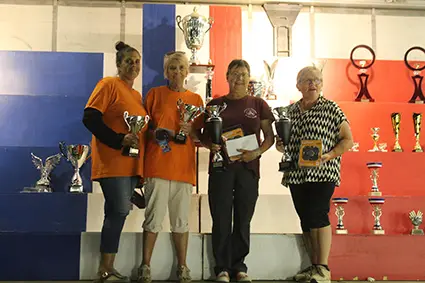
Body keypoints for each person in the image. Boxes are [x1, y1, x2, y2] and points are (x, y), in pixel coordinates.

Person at [276, 66, 353, 283]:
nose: (312, 84)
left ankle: (323, 267)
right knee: (305, 218)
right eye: (307, 80)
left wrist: (329, 155)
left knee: (318, 214)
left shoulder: (331, 108)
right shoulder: (289, 112)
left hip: (323, 172)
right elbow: (283, 146)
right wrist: (281, 145)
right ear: (298, 85)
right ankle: (313, 266)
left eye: (317, 80)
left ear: (322, 84)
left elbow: (348, 139)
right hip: (296, 174)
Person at [200, 59, 275, 282]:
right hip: (221, 168)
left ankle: (239, 267)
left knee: (243, 218)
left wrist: (256, 153)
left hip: (248, 168)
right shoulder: (216, 104)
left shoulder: (258, 104)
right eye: (234, 73)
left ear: (248, 77)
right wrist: (209, 145)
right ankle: (221, 268)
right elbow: (204, 136)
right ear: (227, 76)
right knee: (221, 218)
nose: (239, 78)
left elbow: (269, 138)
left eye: (243, 73)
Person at [83, 41, 147, 283]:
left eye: (137, 61)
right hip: (112, 161)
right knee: (118, 210)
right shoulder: (108, 84)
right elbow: (90, 117)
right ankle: (104, 268)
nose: (133, 65)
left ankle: (108, 267)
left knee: (118, 212)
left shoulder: (136, 95)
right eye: (128, 61)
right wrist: (119, 139)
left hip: (131, 164)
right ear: (118, 64)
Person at [137, 51, 203, 283]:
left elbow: (198, 135)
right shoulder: (154, 95)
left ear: (187, 71)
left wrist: (189, 131)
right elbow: (146, 130)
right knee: (153, 218)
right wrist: (163, 135)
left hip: (183, 169)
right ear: (166, 72)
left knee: (181, 221)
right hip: (157, 165)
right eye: (172, 68)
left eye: (181, 68)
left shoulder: (196, 101)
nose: (177, 72)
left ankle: (182, 267)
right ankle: (145, 266)